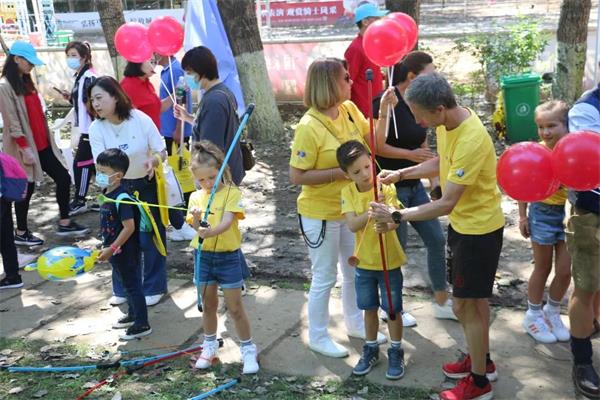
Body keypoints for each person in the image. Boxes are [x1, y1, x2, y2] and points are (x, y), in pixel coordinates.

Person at [370, 73, 504, 400]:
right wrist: (401, 173)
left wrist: (397, 215)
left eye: (420, 115)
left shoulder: (471, 138)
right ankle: (481, 362)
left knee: (463, 307)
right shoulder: (449, 125)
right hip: (466, 228)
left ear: (440, 108)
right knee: (474, 302)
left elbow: (445, 202)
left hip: (477, 233)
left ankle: (478, 384)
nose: (417, 121)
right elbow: (442, 163)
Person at [289, 57, 385, 359]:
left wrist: (387, 110)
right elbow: (296, 176)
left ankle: (355, 322)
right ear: (329, 83)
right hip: (319, 213)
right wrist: (338, 173)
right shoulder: (308, 126)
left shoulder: (350, 110)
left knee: (353, 270)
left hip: (350, 210)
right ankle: (317, 335)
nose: (351, 81)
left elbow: (374, 145)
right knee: (324, 276)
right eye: (345, 78)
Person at [374, 51, 455, 325]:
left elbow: (424, 149)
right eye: (429, 72)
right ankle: (393, 307)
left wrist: (434, 184)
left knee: (436, 239)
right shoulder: (384, 102)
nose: (435, 77)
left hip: (416, 186)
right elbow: (377, 147)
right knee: (398, 252)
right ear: (411, 75)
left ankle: (441, 300)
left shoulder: (422, 103)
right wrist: (409, 159)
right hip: (391, 189)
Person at [0, 41, 89, 246]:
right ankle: (21, 232)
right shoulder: (5, 86)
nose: (32, 66)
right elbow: (12, 120)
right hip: (24, 147)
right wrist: (24, 148)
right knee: (26, 189)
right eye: (28, 62)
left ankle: (65, 221)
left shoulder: (26, 81)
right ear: (17, 59)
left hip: (43, 143)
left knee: (63, 178)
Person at [88, 76, 167, 308]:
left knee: (148, 238)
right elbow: (98, 166)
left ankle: (154, 286)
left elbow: (161, 149)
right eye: (93, 100)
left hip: (144, 186)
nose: (96, 104)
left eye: (100, 98)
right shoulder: (96, 128)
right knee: (115, 239)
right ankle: (121, 287)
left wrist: (154, 160)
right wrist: (106, 191)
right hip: (115, 191)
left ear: (115, 96)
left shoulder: (139, 119)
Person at [186, 140, 258, 375]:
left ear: (222, 170)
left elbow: (227, 222)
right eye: (202, 180)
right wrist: (197, 221)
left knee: (235, 307)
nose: (207, 184)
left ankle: (248, 349)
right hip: (203, 256)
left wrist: (209, 231)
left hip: (228, 257)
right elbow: (196, 227)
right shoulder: (196, 198)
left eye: (212, 177)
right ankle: (209, 346)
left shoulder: (231, 193)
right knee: (208, 305)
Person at [337, 140, 407, 379]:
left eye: (368, 166)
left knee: (394, 310)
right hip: (364, 263)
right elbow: (352, 224)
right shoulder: (347, 192)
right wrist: (369, 212)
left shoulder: (384, 187)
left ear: (371, 160)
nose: (365, 174)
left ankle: (396, 350)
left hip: (389, 261)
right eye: (357, 172)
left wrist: (386, 223)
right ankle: (371, 348)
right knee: (369, 308)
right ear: (347, 175)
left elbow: (396, 220)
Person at [120, 59, 194, 242]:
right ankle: (173, 225)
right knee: (162, 185)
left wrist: (178, 93)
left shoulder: (148, 84)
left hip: (154, 143)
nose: (153, 63)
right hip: (139, 148)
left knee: (167, 184)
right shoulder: (128, 86)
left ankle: (177, 224)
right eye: (149, 61)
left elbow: (157, 108)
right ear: (138, 63)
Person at [518, 101, 571, 344]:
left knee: (565, 270)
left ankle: (552, 311)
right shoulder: (536, 153)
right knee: (543, 267)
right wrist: (522, 215)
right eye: (541, 127)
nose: (546, 132)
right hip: (542, 212)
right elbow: (522, 186)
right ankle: (533, 314)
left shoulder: (574, 149)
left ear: (565, 124)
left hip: (570, 213)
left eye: (552, 125)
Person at [96, 148, 151, 340]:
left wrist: (112, 248)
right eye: (98, 170)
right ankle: (133, 314)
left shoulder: (122, 198)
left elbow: (129, 228)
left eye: (103, 172)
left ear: (117, 176)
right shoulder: (107, 193)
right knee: (126, 284)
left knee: (133, 285)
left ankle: (142, 323)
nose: (98, 175)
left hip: (125, 251)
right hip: (114, 250)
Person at [567, 83, 600, 399]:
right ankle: (581, 361)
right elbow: (589, 164)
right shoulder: (585, 110)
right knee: (587, 287)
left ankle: (593, 324)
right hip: (591, 214)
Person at [173, 46, 244, 185]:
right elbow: (211, 126)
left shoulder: (213, 102)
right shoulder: (223, 92)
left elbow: (210, 147)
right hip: (224, 174)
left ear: (201, 72)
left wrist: (204, 183)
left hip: (217, 181)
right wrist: (187, 118)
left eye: (188, 72)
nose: (186, 78)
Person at [64, 41, 98, 216]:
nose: (70, 59)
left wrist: (95, 128)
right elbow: (81, 100)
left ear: (84, 57)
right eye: (68, 56)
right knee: (92, 165)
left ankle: (80, 200)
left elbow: (92, 104)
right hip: (86, 129)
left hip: (90, 130)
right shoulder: (80, 76)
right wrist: (71, 98)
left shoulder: (88, 78)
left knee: (81, 164)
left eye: (74, 56)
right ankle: (104, 197)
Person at [344, 2, 388, 118]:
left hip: (375, 106)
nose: (380, 22)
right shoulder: (355, 48)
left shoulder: (370, 44)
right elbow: (347, 80)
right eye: (377, 18)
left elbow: (368, 72)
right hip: (362, 112)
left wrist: (381, 75)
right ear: (365, 22)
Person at [0, 152, 24, 289]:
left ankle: (13, 276)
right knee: (6, 237)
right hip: (5, 193)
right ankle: (13, 276)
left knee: (6, 238)